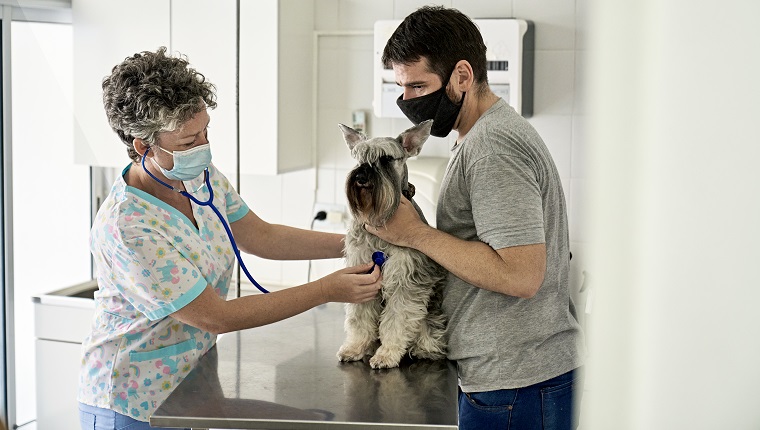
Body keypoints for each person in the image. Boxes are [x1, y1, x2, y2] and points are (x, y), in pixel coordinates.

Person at [77, 47, 382, 430]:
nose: (203, 147)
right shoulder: (128, 226)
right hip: (133, 403)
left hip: (192, 386)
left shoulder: (197, 175)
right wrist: (326, 290)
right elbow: (214, 317)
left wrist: (362, 241)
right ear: (143, 147)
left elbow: (262, 236)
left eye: (205, 131)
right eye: (188, 142)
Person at [371, 6, 585, 430]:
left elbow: (521, 275)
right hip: (512, 376)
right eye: (401, 87)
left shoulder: (492, 148)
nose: (408, 101)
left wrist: (415, 234)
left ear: (462, 76)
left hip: (518, 384)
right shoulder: (478, 135)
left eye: (418, 86)